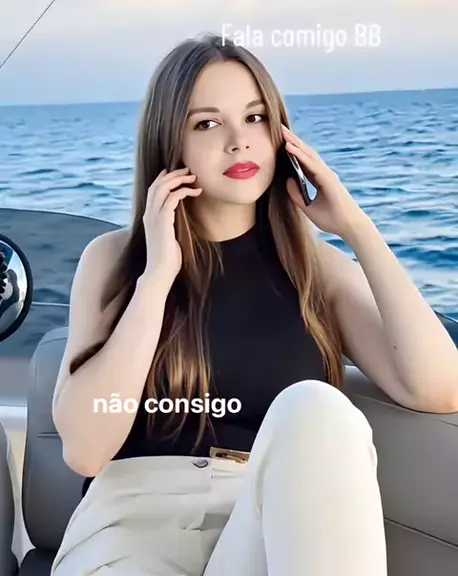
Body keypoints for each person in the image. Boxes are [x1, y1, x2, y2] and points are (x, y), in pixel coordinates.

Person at [50, 32, 458, 576]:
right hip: (131, 531)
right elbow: (86, 449)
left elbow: (439, 388)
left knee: (318, 407)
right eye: (207, 124)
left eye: (256, 117)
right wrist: (157, 278)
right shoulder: (114, 261)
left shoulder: (315, 268)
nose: (239, 142)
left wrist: (357, 229)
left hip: (266, 532)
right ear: (170, 143)